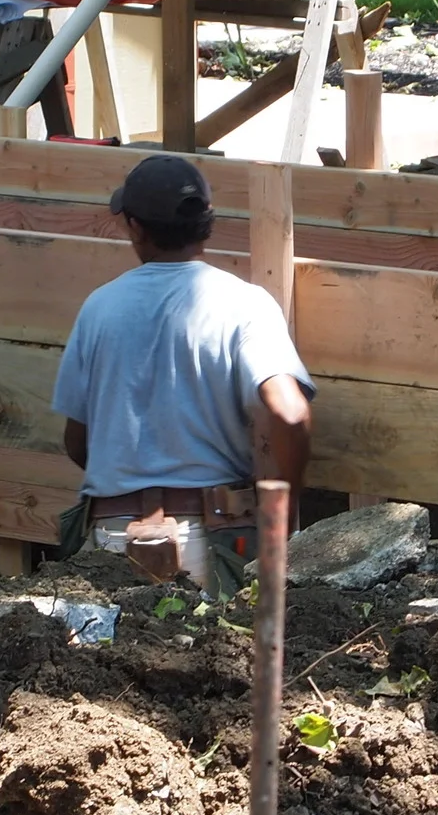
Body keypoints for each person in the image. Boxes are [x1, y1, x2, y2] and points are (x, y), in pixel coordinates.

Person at [53, 154, 313, 590]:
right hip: (213, 538)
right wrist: (283, 510)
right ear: (207, 222)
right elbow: (291, 413)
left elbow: (78, 443)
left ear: (135, 226)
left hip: (113, 538)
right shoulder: (244, 304)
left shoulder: (99, 308)